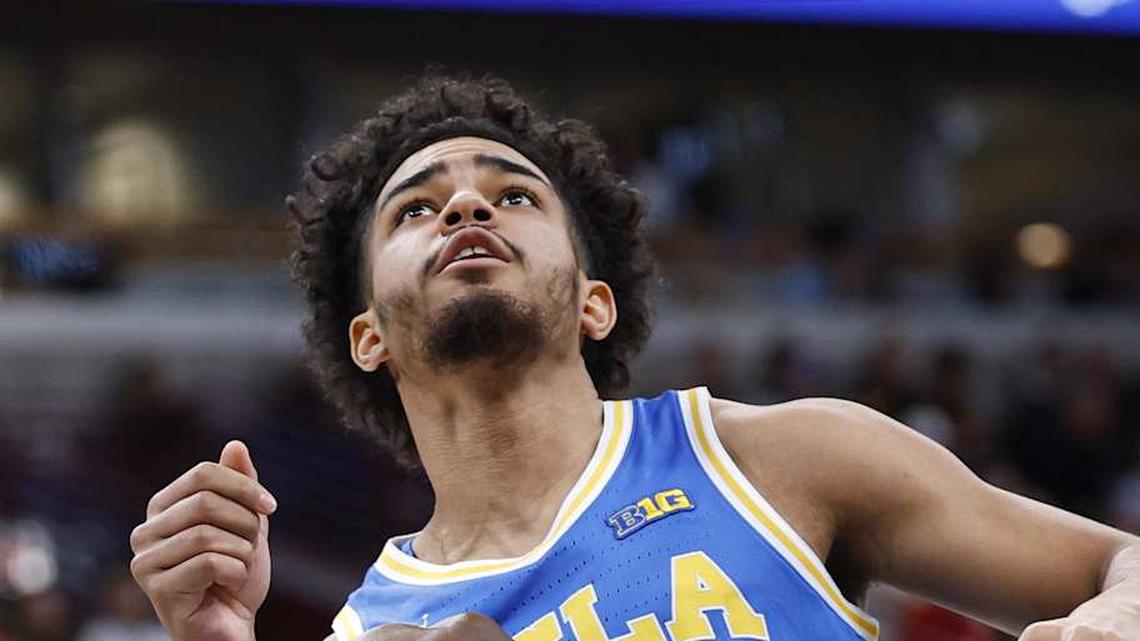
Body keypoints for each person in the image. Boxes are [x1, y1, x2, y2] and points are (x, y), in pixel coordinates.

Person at [127, 75, 1140, 641]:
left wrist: (1107, 625)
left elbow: (1120, 559)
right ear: (369, 333)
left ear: (595, 302)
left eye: (515, 195)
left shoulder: (777, 457)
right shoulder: (375, 628)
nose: (469, 207)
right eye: (417, 208)